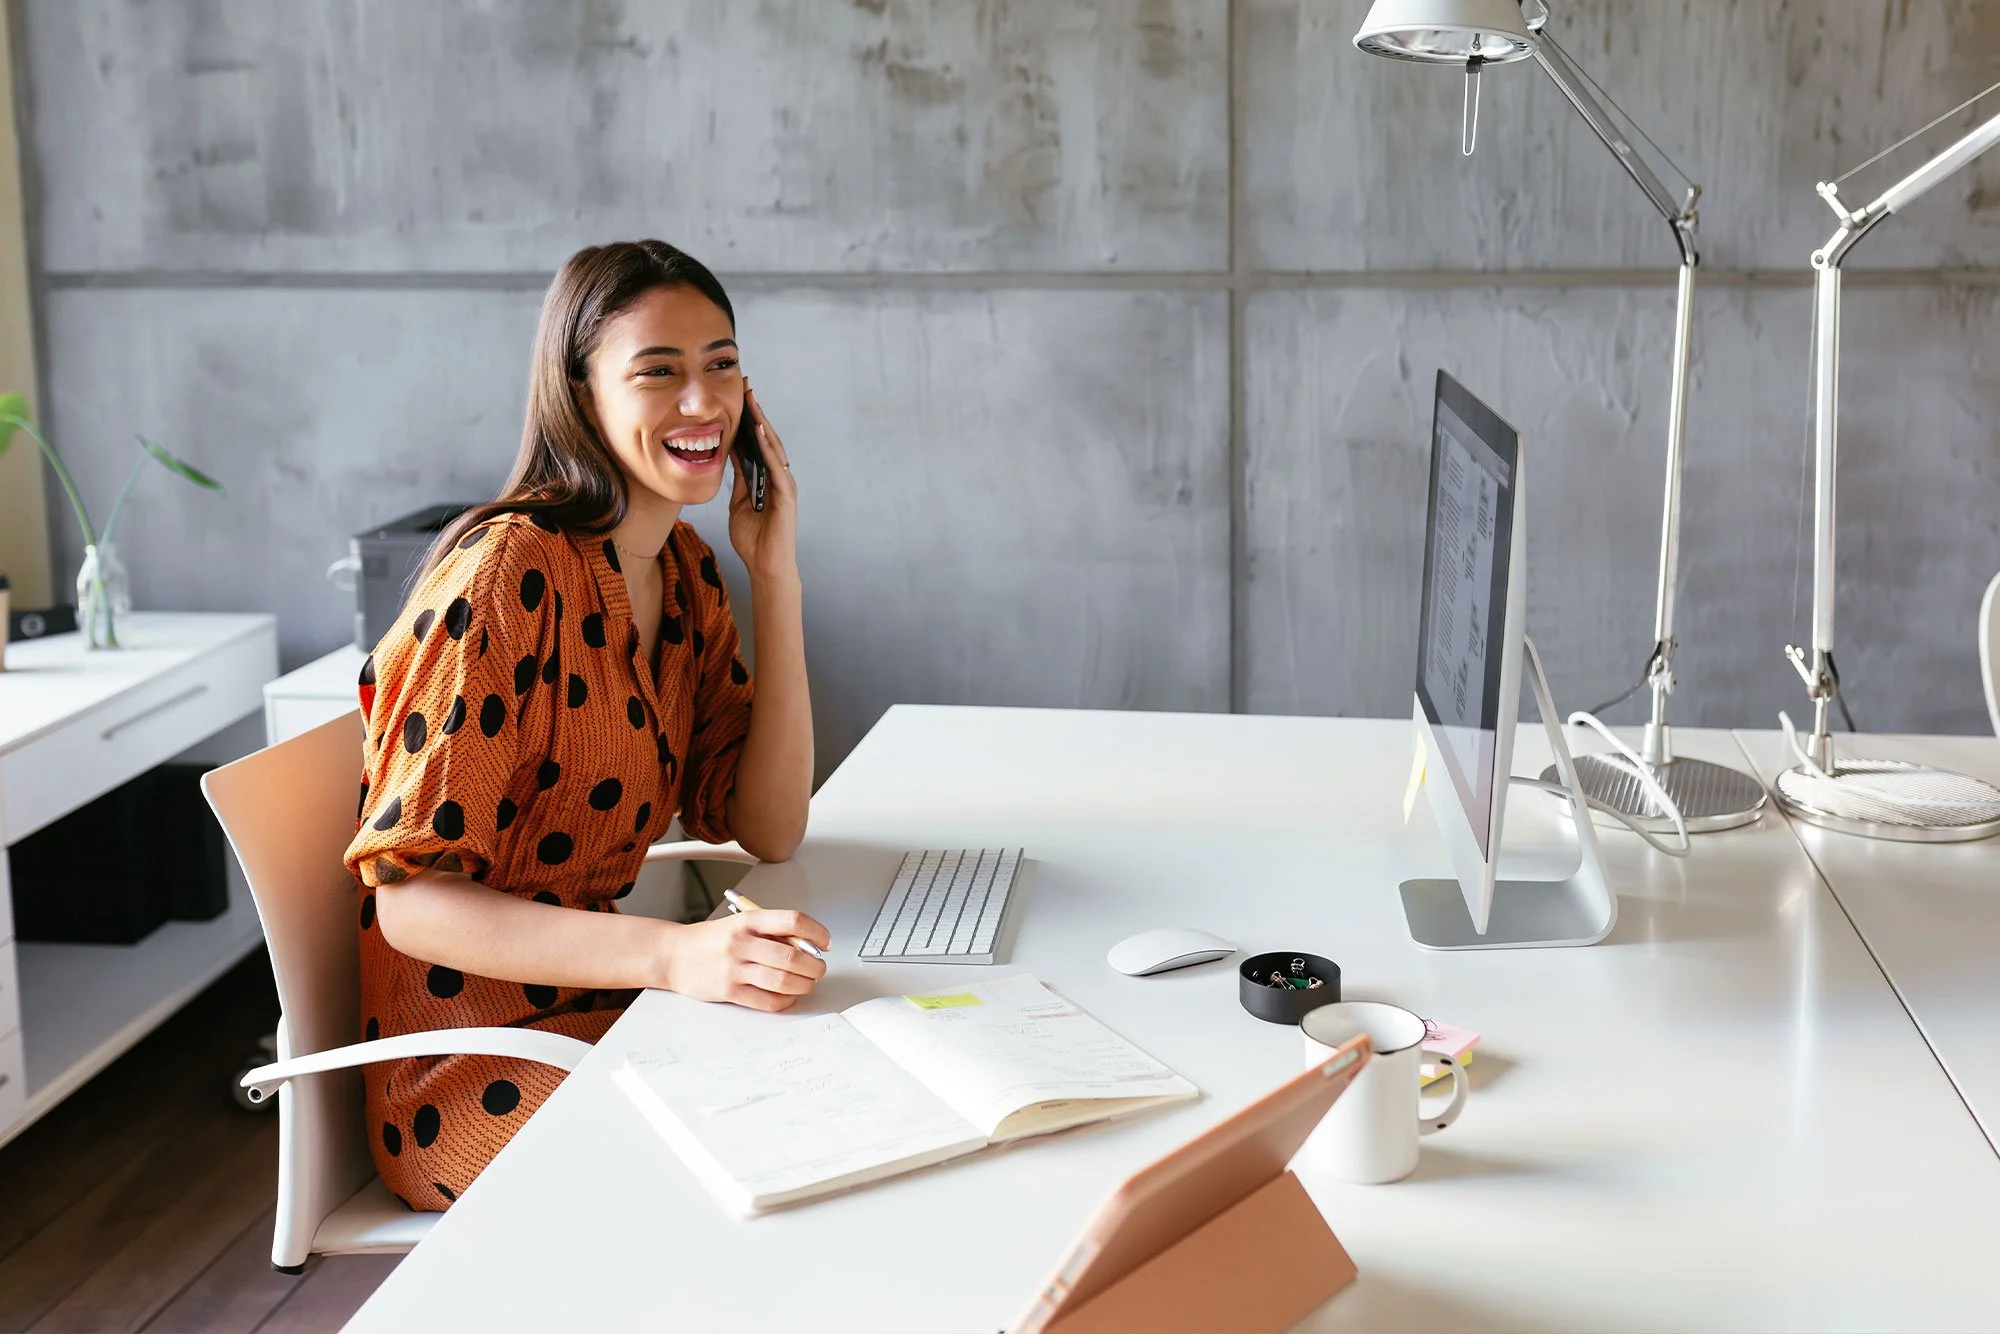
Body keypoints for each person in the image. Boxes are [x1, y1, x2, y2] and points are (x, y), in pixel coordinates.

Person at [341, 240, 822, 1209]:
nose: (702, 402)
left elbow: (767, 824)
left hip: (606, 1010)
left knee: (822, 1097)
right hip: (469, 1068)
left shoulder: (684, 572)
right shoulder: (504, 572)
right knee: (763, 1158)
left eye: (721, 364)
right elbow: (409, 901)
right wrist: (670, 954)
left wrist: (775, 576)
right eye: (659, 372)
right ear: (580, 394)